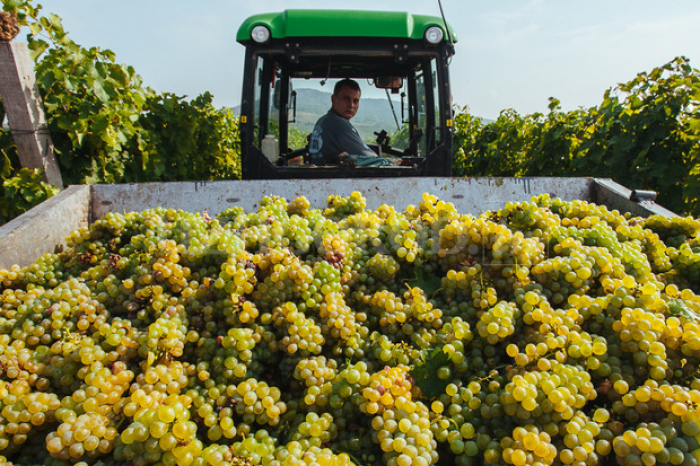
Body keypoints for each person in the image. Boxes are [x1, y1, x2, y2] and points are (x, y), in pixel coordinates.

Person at [308, 78, 393, 167]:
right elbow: (370, 157)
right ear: (333, 99)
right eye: (346, 99)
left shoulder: (324, 120)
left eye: (355, 101)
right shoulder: (337, 124)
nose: (351, 105)